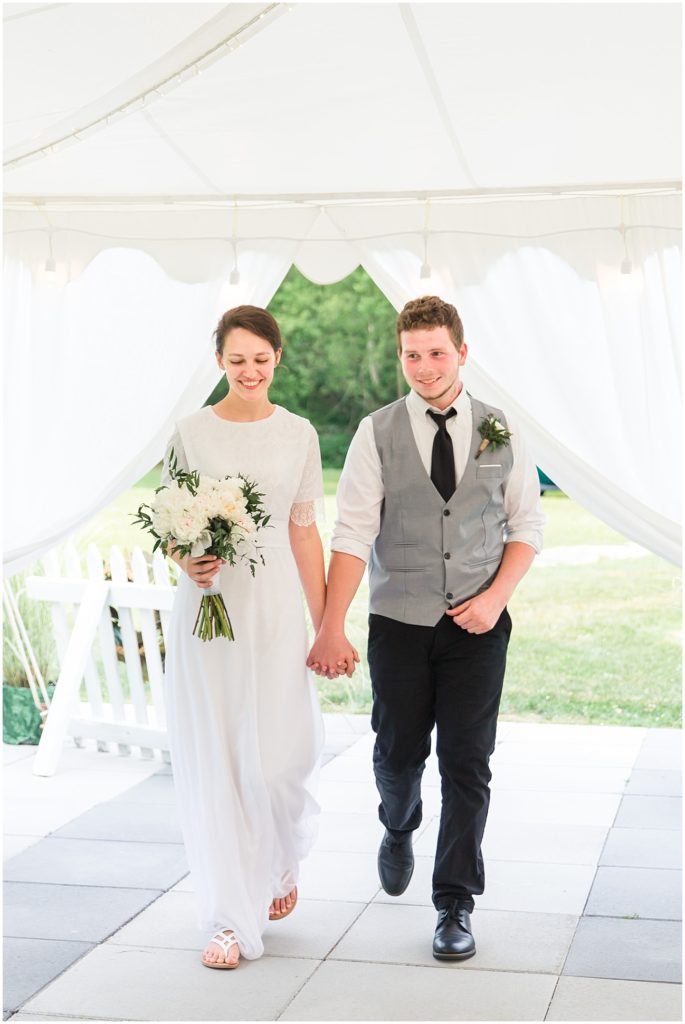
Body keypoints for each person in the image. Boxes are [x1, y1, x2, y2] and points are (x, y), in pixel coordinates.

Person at [308, 295, 544, 961]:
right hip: (399, 624)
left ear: (461, 353)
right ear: (400, 356)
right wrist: (330, 626)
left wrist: (495, 599)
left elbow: (526, 525)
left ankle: (454, 903)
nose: (424, 367)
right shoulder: (375, 431)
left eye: (437, 353)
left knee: (467, 763)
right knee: (396, 756)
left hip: (477, 626)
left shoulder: (501, 428)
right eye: (412, 355)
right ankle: (398, 821)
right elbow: (352, 533)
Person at [162, 305, 326, 969]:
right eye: (236, 361)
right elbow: (171, 523)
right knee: (221, 759)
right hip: (210, 610)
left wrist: (327, 626)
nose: (249, 371)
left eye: (260, 359)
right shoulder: (190, 433)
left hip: (276, 609)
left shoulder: (299, 434)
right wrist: (186, 558)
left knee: (280, 760)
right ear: (219, 362)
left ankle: (280, 858)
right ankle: (229, 918)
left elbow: (304, 530)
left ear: (277, 357)